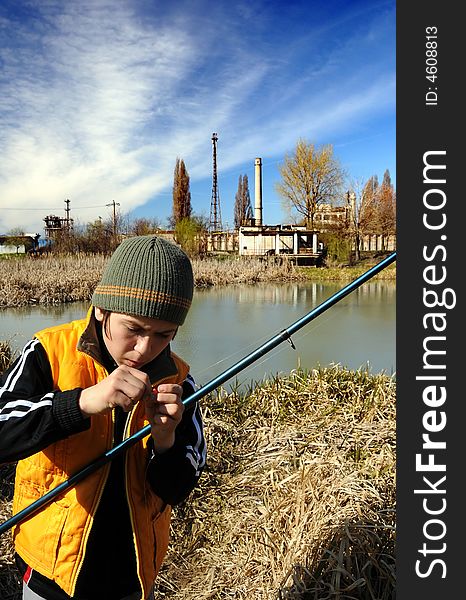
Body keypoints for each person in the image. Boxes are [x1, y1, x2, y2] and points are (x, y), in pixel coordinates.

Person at [0, 235, 206, 600]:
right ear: (101, 309)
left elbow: (178, 488)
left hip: (133, 577)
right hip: (49, 574)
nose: (145, 348)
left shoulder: (180, 381)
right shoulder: (49, 351)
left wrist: (166, 441)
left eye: (164, 334)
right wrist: (79, 403)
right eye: (134, 329)